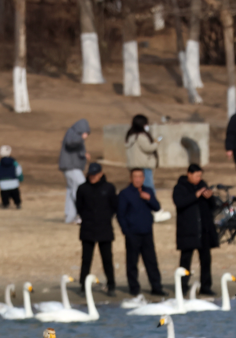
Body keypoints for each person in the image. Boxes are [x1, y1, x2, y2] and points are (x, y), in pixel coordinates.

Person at [172, 164, 220, 295]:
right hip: (188, 230)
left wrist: (210, 198)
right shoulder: (180, 187)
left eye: (200, 176)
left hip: (204, 230)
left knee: (206, 260)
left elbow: (213, 207)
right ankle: (182, 286)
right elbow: (179, 203)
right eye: (197, 176)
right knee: (185, 260)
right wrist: (196, 195)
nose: (199, 178)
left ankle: (206, 286)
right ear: (189, 174)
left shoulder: (203, 185)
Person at [117, 169, 164, 296]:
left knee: (151, 261)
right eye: (135, 177)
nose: (138, 179)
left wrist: (149, 198)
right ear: (131, 178)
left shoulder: (148, 191)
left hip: (147, 232)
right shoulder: (125, 193)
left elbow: (157, 207)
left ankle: (157, 287)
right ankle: (134, 289)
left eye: (140, 176)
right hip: (132, 233)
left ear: (143, 178)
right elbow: (120, 214)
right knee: (132, 262)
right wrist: (126, 231)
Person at [75, 162, 117, 294]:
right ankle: (83, 285)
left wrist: (105, 217)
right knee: (86, 259)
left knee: (107, 259)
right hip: (88, 229)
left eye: (95, 174)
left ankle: (111, 284)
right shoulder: (82, 188)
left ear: (101, 174)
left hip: (104, 229)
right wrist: (87, 217)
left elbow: (114, 206)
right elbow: (79, 206)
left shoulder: (109, 188)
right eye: (91, 174)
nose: (93, 177)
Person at [59, 119, 91, 224]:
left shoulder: (73, 133)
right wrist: (81, 137)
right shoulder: (73, 133)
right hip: (71, 167)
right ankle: (82, 214)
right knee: (81, 189)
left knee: (72, 190)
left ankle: (70, 216)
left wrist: (83, 154)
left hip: (71, 167)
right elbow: (70, 143)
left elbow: (73, 149)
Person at [125, 114, 160, 189]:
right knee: (148, 187)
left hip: (133, 166)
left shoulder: (131, 136)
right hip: (143, 166)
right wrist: (156, 143)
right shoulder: (141, 136)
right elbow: (148, 148)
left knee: (135, 187)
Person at [0, 145, 23, 210]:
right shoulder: (14, 163)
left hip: (3, 184)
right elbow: (19, 171)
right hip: (14, 182)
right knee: (15, 194)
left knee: (4, 195)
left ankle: (5, 204)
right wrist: (20, 178)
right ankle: (18, 204)